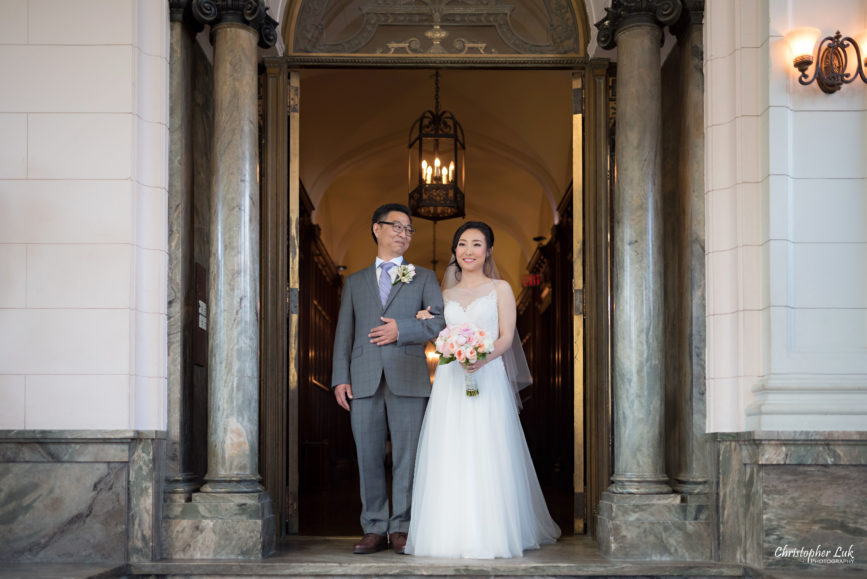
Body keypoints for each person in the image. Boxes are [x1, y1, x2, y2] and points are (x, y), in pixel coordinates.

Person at [406, 221, 561, 559]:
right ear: (455, 251)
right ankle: (447, 534)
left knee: (488, 447)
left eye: (477, 244)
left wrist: (481, 357)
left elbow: (506, 336)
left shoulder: (501, 289)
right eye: (462, 244)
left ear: (488, 250)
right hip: (450, 381)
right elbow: (438, 335)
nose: (469, 251)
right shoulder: (443, 295)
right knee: (451, 449)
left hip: (488, 377)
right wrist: (431, 330)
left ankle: (492, 532)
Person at [331, 203, 446, 555]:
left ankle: (403, 526)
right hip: (363, 378)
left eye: (409, 229)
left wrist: (403, 329)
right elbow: (344, 333)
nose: (404, 233)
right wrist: (339, 378)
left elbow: (439, 322)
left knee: (407, 457)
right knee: (367, 455)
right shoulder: (354, 282)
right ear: (376, 229)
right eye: (397, 226)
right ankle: (374, 526)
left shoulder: (423, 277)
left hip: (409, 376)